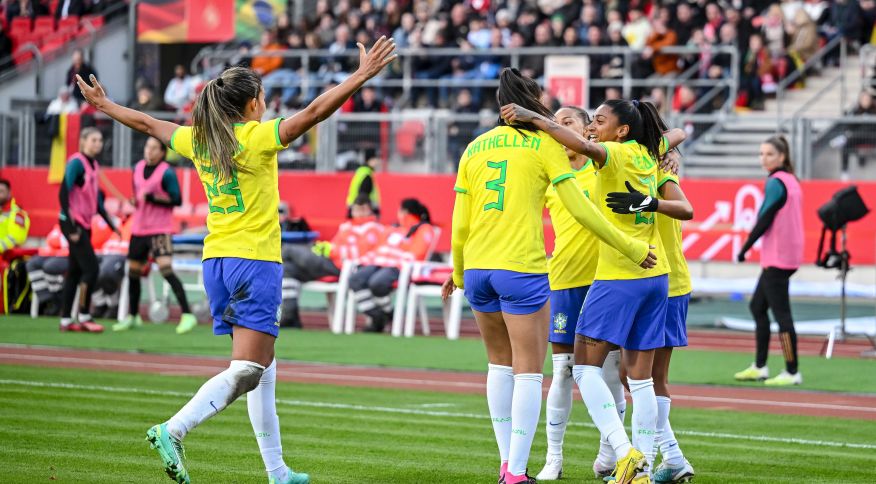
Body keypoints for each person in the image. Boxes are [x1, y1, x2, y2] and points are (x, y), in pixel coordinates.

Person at [76, 35, 396, 484]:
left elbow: (150, 125)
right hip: (255, 262)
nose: (266, 104)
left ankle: (278, 471)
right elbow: (314, 113)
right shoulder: (256, 138)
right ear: (249, 106)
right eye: (263, 97)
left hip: (217, 263)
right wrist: (360, 76)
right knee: (247, 370)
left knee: (263, 367)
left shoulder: (199, 140)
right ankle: (174, 429)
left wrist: (105, 106)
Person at [445, 68, 655, 484]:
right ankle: (517, 472)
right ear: (530, 100)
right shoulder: (543, 144)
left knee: (497, 367)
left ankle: (506, 463)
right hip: (521, 268)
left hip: (478, 268)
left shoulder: (474, 147)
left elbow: (459, 220)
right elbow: (580, 209)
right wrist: (630, 246)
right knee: (528, 370)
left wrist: (457, 269)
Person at [500, 98, 687, 483]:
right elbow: (680, 133)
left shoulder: (613, 154)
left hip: (618, 276)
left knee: (583, 368)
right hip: (657, 277)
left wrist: (533, 117)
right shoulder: (647, 153)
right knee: (640, 379)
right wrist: (670, 153)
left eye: (597, 121)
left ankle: (625, 452)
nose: (590, 128)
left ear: (621, 131)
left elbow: (587, 147)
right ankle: (645, 469)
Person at [534, 107, 627, 481]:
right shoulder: (550, 175)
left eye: (566, 122)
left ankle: (608, 454)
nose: (558, 127)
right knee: (562, 374)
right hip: (565, 283)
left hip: (606, 282)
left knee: (611, 371)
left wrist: (667, 150)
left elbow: (662, 138)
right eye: (554, 121)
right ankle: (553, 457)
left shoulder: (601, 166)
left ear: (586, 131)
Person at [735, 135, 804, 387]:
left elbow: (764, 219)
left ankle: (792, 370)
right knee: (757, 307)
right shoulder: (792, 180)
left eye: (769, 154)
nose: (763, 158)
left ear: (782, 157)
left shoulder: (775, 182)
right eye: (761, 154)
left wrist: (745, 248)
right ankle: (760, 366)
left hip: (778, 256)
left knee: (782, 315)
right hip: (788, 254)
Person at [112, 137, 196, 334]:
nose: (149, 151)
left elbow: (176, 200)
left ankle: (187, 314)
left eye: (153, 148)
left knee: (166, 270)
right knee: (133, 272)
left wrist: (152, 198)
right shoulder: (137, 168)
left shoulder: (167, 172)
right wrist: (136, 201)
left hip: (160, 229)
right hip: (139, 228)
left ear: (162, 152)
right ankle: (133, 316)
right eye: (147, 146)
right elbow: (138, 194)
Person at [279, 195, 384, 328]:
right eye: (356, 209)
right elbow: (335, 245)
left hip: (343, 267)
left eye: (363, 209)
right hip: (329, 262)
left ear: (370, 210)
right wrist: (326, 248)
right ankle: (290, 315)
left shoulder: (374, 229)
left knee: (288, 250)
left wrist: (331, 251)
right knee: (288, 269)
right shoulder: (347, 226)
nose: (359, 213)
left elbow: (358, 254)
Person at [58, 127, 120, 333]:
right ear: (83, 141)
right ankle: (84, 315)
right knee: (92, 269)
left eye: (100, 140)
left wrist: (112, 226)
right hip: (73, 224)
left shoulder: (94, 165)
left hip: (84, 224)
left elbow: (97, 204)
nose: (98, 144)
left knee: (75, 272)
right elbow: (63, 192)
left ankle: (66, 320)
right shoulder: (77, 162)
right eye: (94, 140)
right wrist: (71, 225)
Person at [349, 198, 433, 333]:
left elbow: (418, 253)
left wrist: (397, 260)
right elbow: (379, 248)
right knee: (355, 279)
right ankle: (379, 316)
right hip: (377, 263)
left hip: (399, 267)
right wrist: (364, 260)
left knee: (377, 283)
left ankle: (385, 316)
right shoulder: (393, 228)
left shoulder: (423, 229)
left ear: (404, 212)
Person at [0, 178, 31, 314]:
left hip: (9, 257)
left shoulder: (17, 214)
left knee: (12, 271)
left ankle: (9, 308)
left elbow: (16, 238)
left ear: (9, 193)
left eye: (1, 191)